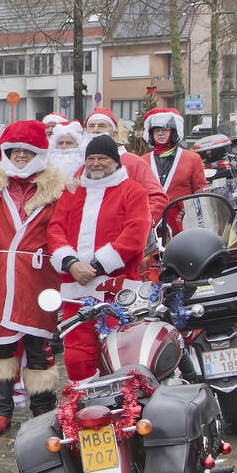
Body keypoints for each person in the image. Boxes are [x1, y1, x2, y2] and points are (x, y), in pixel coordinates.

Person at [0, 120, 67, 434]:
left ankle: (43, 409)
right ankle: (0, 409)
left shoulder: (57, 188)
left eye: (27, 150)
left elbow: (67, 224)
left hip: (38, 276)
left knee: (40, 345)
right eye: (15, 150)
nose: (21, 155)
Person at [47, 135, 151, 381]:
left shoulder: (133, 191)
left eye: (102, 158)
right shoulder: (72, 193)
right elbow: (55, 229)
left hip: (117, 289)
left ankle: (127, 408)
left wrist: (95, 266)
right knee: (76, 356)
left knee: (120, 352)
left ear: (115, 161)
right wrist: (71, 263)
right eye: (91, 159)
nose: (95, 163)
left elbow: (136, 233)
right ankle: (83, 410)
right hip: (76, 290)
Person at [83, 108, 167, 222]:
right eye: (91, 126)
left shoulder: (132, 162)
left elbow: (157, 198)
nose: (95, 130)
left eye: (102, 126)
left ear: (114, 133)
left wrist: (139, 224)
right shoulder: (80, 163)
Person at [140, 108, 204, 205]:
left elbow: (201, 193)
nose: (160, 133)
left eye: (165, 129)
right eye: (157, 130)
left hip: (182, 217)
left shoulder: (192, 159)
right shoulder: (143, 161)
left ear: (173, 131)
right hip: (153, 218)